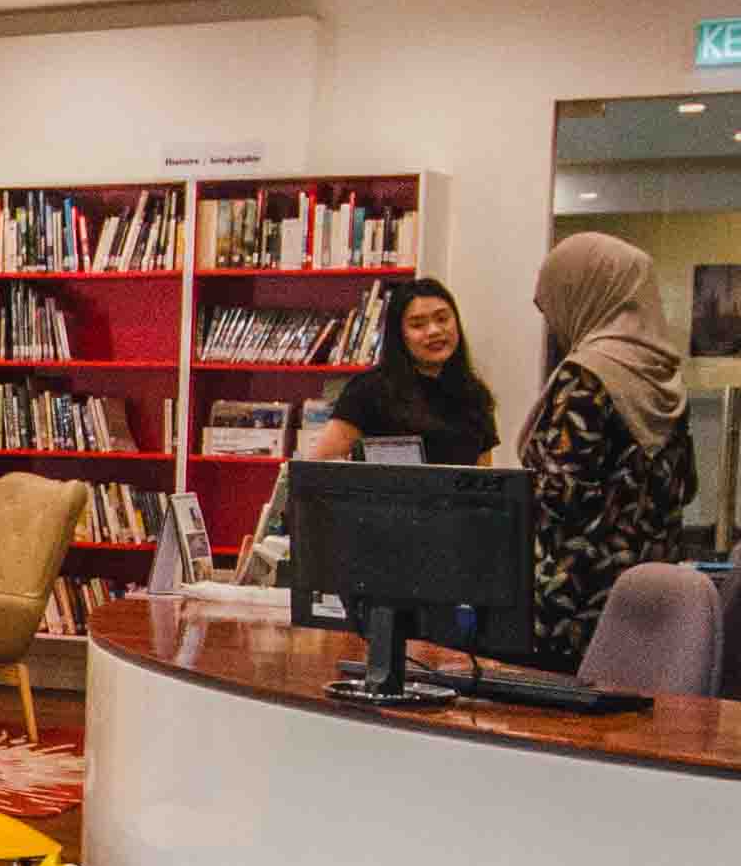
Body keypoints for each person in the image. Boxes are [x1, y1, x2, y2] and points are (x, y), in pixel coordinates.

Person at [517, 230, 697, 665]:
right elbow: (684, 487)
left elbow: (559, 497)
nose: (554, 321)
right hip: (646, 603)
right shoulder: (663, 376)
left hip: (572, 606)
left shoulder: (588, 376)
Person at [298, 276, 501, 466]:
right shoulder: (369, 390)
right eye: (418, 325)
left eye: (442, 319)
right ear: (399, 335)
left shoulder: (474, 394)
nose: (434, 331)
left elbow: (484, 479)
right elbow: (321, 465)